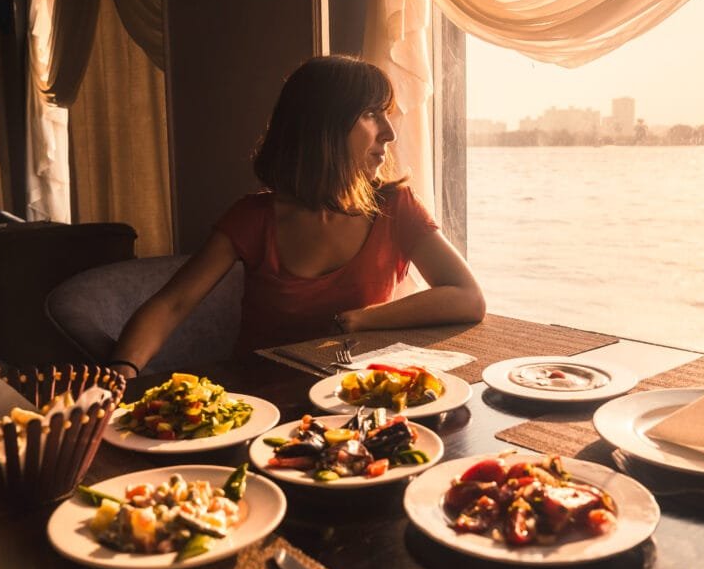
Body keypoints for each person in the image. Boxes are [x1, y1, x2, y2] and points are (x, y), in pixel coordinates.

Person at [108, 55, 485, 378]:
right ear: (324, 127)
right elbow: (171, 304)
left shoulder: (396, 206)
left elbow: (467, 298)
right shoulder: (253, 218)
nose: (389, 133)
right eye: (372, 115)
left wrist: (358, 320)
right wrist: (121, 373)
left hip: (353, 396)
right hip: (262, 399)